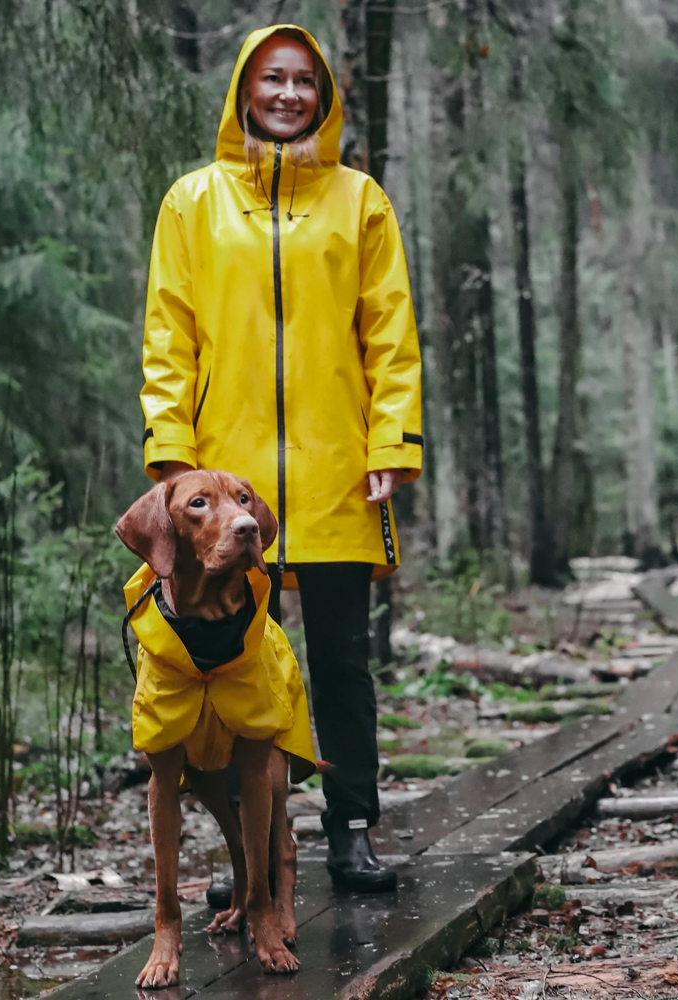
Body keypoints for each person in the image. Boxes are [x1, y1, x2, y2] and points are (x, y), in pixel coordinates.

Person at [140, 23, 422, 890]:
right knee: (233, 669)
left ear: (324, 96)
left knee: (340, 658)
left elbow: (390, 336)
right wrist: (173, 457)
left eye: (305, 80)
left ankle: (351, 830)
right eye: (273, 79)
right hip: (229, 489)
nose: (289, 93)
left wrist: (391, 443)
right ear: (244, 91)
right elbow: (169, 336)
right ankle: (251, 848)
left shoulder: (361, 200)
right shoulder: (192, 202)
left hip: (339, 469)